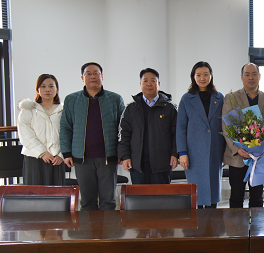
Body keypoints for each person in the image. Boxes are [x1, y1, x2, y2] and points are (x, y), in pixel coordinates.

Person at [60, 62, 125, 210]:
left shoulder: (115, 99)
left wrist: (122, 152)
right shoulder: (71, 100)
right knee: (87, 202)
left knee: (108, 202)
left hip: (108, 158)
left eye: (96, 73)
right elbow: (65, 127)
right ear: (82, 78)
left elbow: (123, 129)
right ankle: (88, 226)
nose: (92, 76)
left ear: (102, 76)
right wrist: (66, 153)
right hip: (82, 159)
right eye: (88, 74)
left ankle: (108, 226)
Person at [222, 63, 264, 208]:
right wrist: (237, 149)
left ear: (259, 76)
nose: (251, 77)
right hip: (238, 157)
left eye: (254, 74)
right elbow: (226, 127)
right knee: (236, 197)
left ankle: (257, 223)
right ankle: (237, 223)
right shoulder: (231, 97)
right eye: (247, 74)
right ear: (242, 77)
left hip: (260, 157)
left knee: (257, 198)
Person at [177, 61, 225, 208]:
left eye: (205, 74)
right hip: (193, 153)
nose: (202, 78)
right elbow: (181, 128)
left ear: (211, 76)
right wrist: (182, 153)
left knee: (213, 193)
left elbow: (226, 125)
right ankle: (198, 222)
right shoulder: (186, 99)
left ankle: (212, 221)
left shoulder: (220, 98)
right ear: (193, 77)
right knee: (196, 195)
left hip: (215, 151)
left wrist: (226, 152)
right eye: (198, 75)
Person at [118, 68, 178, 184]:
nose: (149, 84)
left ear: (158, 83)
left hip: (162, 164)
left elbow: (177, 133)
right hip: (137, 165)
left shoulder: (170, 108)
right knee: (139, 195)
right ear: (140, 84)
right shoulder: (131, 108)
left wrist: (175, 154)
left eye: (153, 81)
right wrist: (124, 156)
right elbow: (123, 134)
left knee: (161, 195)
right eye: (145, 81)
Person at [17, 74, 65, 185]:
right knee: (35, 192)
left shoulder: (64, 110)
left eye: (51, 86)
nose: (47, 89)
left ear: (57, 89)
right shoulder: (28, 110)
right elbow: (26, 135)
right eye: (43, 86)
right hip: (34, 157)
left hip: (57, 158)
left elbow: (69, 133)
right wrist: (42, 152)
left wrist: (61, 154)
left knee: (57, 192)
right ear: (37, 90)